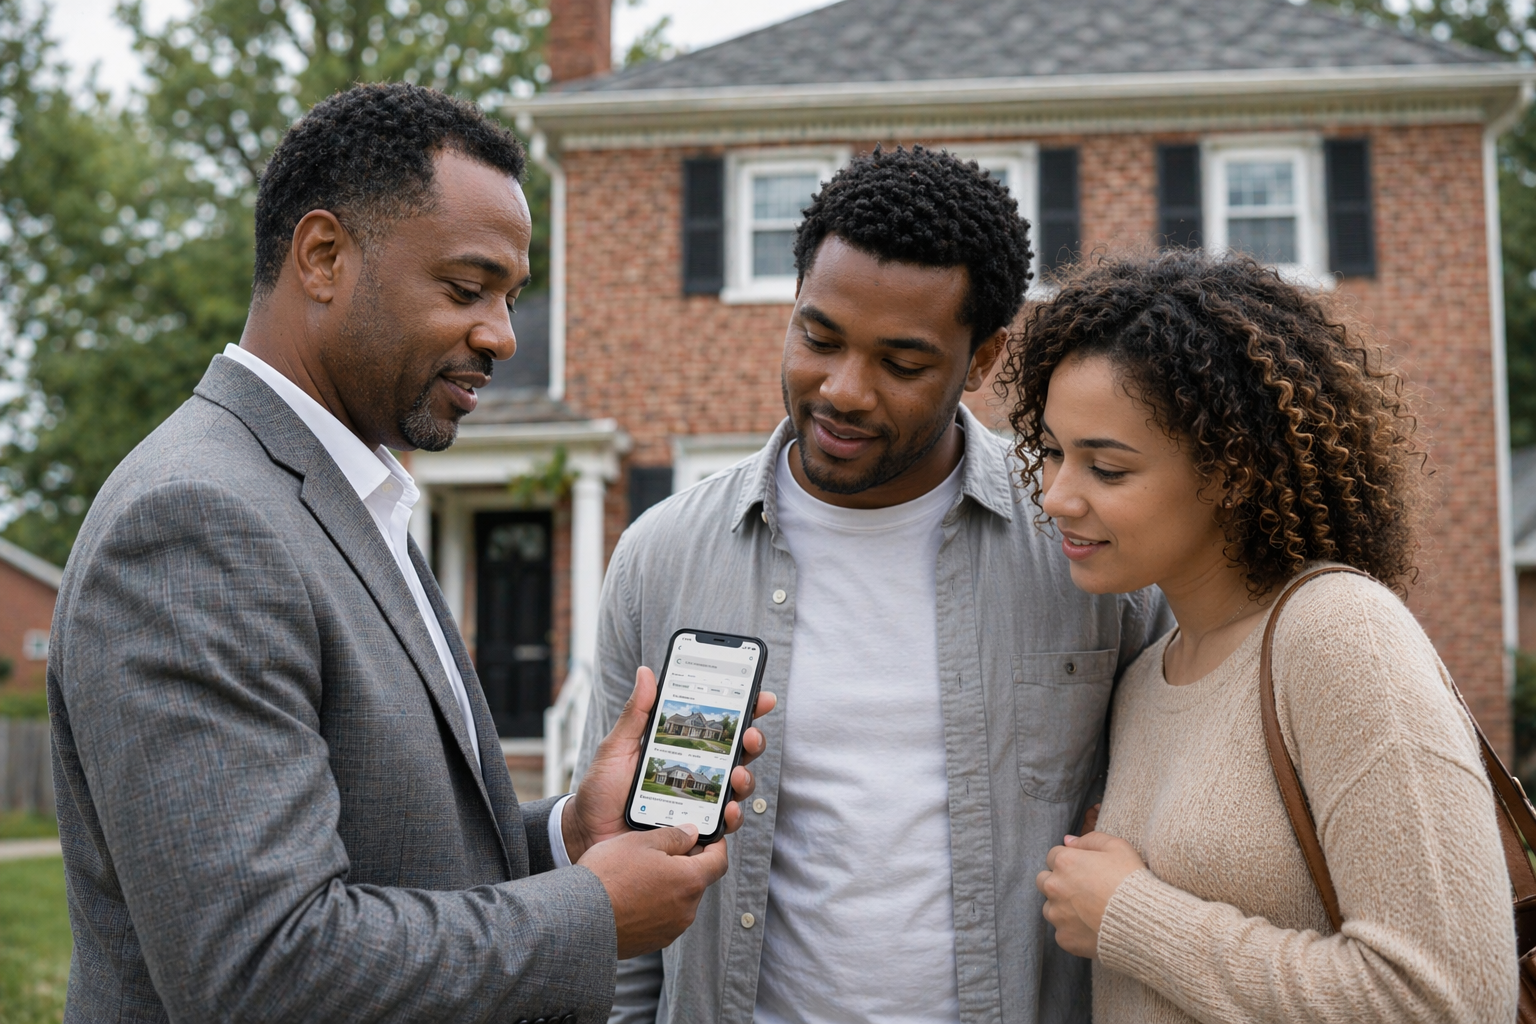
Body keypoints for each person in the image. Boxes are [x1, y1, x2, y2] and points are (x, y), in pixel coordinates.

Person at [47, 83, 771, 1024]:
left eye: (511, 298)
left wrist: (566, 835)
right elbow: (263, 966)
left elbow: (398, 851)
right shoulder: (196, 522)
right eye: (467, 289)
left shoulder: (351, 490)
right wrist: (592, 913)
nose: (503, 336)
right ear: (323, 256)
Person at [579, 145, 1171, 1024]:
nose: (843, 390)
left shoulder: (1086, 550)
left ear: (981, 359)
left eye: (901, 363)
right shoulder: (662, 557)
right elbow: (615, 876)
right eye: (819, 338)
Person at [1017, 251, 1518, 1022]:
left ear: (1232, 471)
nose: (1056, 496)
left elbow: (1450, 999)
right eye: (1052, 452)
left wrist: (1131, 918)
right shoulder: (1147, 679)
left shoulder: (1343, 638)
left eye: (1106, 470)